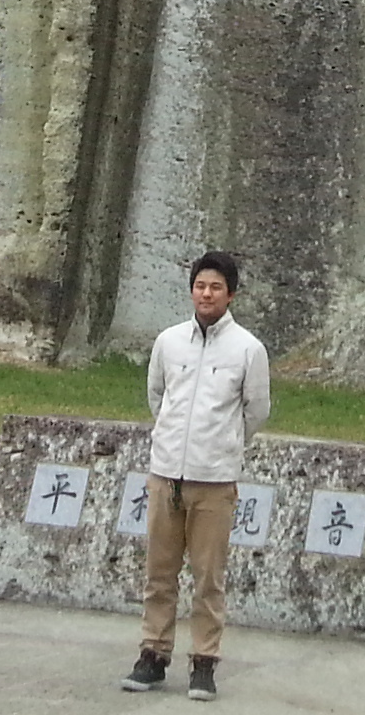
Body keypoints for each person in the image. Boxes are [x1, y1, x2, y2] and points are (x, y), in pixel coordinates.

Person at [123, 252, 269, 701]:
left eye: (216, 288)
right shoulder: (168, 342)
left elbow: (255, 411)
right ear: (192, 290)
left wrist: (219, 447)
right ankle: (153, 654)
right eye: (200, 286)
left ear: (231, 295)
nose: (207, 294)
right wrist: (173, 446)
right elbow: (156, 396)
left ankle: (204, 662)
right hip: (166, 476)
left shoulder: (248, 349)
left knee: (208, 578)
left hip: (214, 481)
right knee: (159, 572)